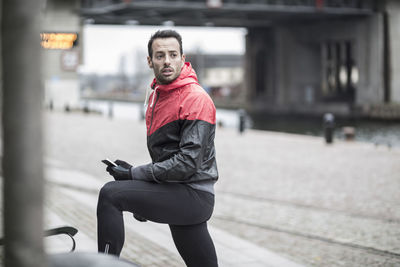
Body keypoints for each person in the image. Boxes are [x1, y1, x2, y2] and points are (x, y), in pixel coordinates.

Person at [97, 29, 219, 267]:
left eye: (173, 55)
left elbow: (187, 163)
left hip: (193, 194)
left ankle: (102, 264)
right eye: (160, 55)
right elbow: (169, 155)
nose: (167, 61)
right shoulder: (158, 96)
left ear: (183, 59)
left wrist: (135, 175)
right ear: (150, 61)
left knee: (110, 194)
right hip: (178, 191)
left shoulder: (194, 98)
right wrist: (141, 184)